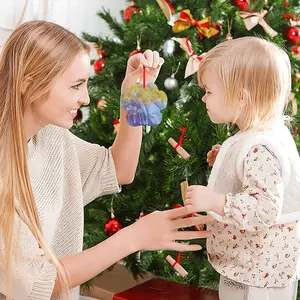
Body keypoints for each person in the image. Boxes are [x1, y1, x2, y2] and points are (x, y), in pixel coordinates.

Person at [0, 20, 213, 300]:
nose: (86, 99)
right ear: (30, 84)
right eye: (75, 86)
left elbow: (118, 170)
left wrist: (132, 95)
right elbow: (38, 282)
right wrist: (134, 237)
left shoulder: (50, 137)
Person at [183, 36, 300, 300]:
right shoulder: (263, 134)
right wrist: (224, 157)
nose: (203, 98)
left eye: (209, 91)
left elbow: (264, 210)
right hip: (257, 269)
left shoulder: (260, 148)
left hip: (258, 277)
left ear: (241, 98)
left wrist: (215, 201)